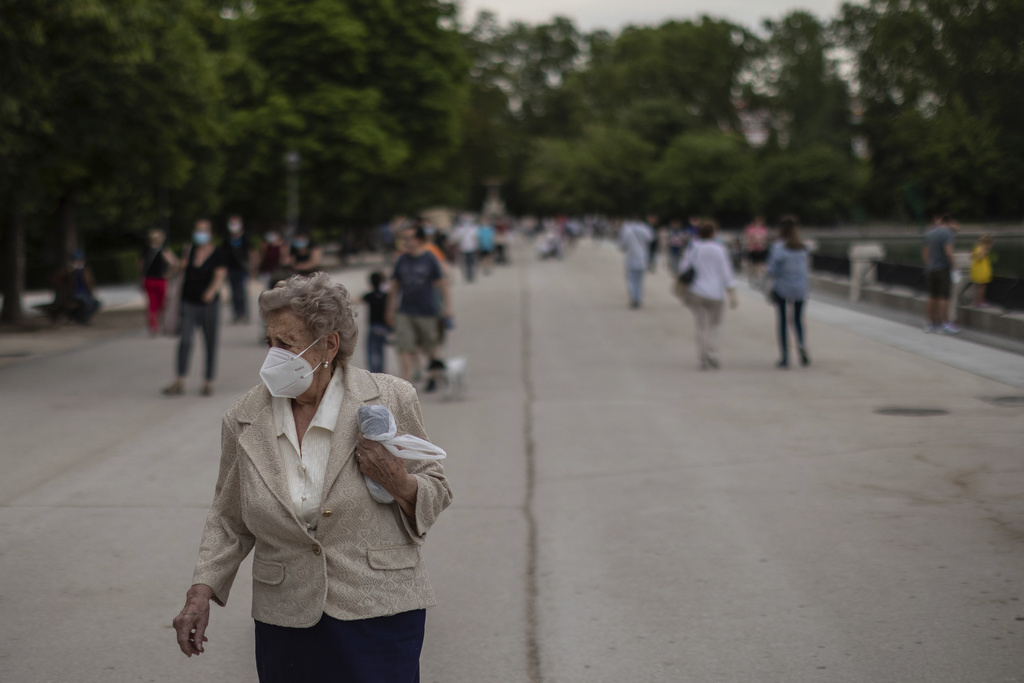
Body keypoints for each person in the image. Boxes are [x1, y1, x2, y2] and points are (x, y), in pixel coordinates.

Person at [172, 272, 453, 682]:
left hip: (379, 607)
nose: (272, 356)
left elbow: (438, 489)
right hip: (286, 614)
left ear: (328, 345)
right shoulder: (244, 417)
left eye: (285, 344)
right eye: (269, 342)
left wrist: (400, 483)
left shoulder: (390, 397)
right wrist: (201, 592)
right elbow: (229, 516)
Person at [163, 220, 228, 397]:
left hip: (208, 304)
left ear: (210, 234)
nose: (200, 234)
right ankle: (179, 379)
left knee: (210, 342)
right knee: (185, 340)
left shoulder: (218, 254)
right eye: (197, 230)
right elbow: (179, 270)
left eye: (203, 231)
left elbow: (220, 275)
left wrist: (211, 291)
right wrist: (172, 261)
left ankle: (208, 381)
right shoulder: (189, 251)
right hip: (188, 302)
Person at [387, 227, 452, 387]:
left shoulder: (429, 259)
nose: (406, 242)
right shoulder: (402, 260)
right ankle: (406, 384)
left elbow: (442, 283)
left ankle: (433, 375)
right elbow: (395, 285)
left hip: (427, 310)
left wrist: (448, 306)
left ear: (418, 240)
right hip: (405, 310)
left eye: (409, 238)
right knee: (404, 346)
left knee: (430, 346)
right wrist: (389, 309)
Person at [677, 220, 738, 369]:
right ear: (713, 233)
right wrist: (732, 294)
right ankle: (712, 351)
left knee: (700, 325)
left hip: (696, 291)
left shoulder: (693, 249)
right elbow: (726, 273)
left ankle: (702, 357)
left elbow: (683, 267)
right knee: (715, 325)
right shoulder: (720, 249)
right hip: (716, 292)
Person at [766, 216, 810, 368]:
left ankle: (785, 357)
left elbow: (771, 270)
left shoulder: (778, 247)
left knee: (783, 322)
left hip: (782, 287)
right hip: (800, 288)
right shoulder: (802, 248)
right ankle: (802, 347)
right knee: (798, 320)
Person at [922, 213, 961, 334]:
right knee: (943, 297)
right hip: (942, 268)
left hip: (931, 269)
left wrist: (929, 265)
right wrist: (954, 267)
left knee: (932, 296)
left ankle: (931, 323)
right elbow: (948, 252)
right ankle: (944, 323)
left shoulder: (929, 233)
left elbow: (925, 253)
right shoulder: (947, 234)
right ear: (950, 222)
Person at [139, 230, 180, 335]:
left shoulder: (162, 250)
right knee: (153, 304)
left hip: (159, 279)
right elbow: (141, 265)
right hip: (151, 280)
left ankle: (161, 325)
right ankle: (154, 326)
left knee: (162, 303)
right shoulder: (147, 250)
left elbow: (175, 263)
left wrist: (169, 274)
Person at [49, 250, 100, 325]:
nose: (79, 262)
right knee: (84, 303)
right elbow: (58, 278)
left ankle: (83, 318)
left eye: (80, 260)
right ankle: (81, 319)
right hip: (74, 293)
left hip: (84, 293)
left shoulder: (85, 270)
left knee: (95, 303)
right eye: (77, 260)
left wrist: (92, 290)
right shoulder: (69, 270)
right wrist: (70, 271)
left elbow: (90, 282)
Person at [224, 215, 255, 324]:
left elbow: (250, 252)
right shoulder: (227, 238)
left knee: (241, 291)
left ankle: (243, 313)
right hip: (231, 268)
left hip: (242, 268)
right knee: (233, 292)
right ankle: (236, 314)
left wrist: (252, 266)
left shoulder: (245, 237)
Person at [618, 218, 655, 308]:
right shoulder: (646, 229)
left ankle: (633, 298)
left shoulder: (626, 230)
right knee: (640, 281)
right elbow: (651, 239)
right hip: (643, 258)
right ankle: (638, 298)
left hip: (631, 258)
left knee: (631, 280)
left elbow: (622, 245)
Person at [361, 271, 389, 373]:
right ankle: (381, 370)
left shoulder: (370, 296)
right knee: (381, 351)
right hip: (383, 326)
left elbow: (357, 300)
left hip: (373, 326)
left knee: (371, 350)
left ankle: (373, 370)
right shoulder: (386, 296)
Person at [450, 217, 479, 283]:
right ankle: (467, 276)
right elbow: (456, 238)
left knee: (471, 263)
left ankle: (471, 275)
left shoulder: (473, 228)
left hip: (472, 248)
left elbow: (476, 238)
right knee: (465, 263)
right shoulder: (459, 229)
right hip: (463, 248)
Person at [743, 216, 770, 286]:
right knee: (751, 265)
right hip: (752, 249)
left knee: (759, 265)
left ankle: (759, 279)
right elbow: (748, 238)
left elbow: (765, 239)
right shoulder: (750, 229)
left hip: (760, 249)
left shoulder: (763, 230)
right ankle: (751, 277)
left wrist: (759, 241)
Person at [970, 234, 994, 307]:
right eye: (989, 244)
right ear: (986, 243)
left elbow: (972, 257)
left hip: (979, 270)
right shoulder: (981, 249)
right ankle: (979, 302)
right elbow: (980, 257)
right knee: (981, 287)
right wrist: (984, 249)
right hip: (981, 271)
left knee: (979, 287)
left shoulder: (977, 248)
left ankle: (978, 301)